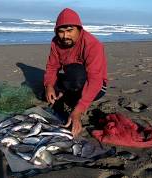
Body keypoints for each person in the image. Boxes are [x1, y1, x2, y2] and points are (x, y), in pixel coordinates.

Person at [44, 8, 108, 137]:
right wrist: (49, 86)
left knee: (76, 72)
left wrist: (78, 111)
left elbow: (95, 80)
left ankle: (71, 98)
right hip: (72, 80)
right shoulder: (56, 42)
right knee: (45, 92)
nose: (65, 36)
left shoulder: (92, 45)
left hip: (96, 86)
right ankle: (66, 94)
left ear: (79, 29)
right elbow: (52, 66)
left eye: (69, 30)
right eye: (61, 32)